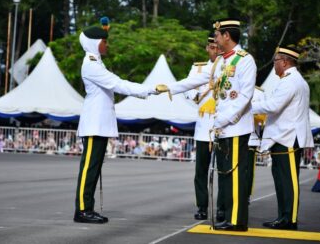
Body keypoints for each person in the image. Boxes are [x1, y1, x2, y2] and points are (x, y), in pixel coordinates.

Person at [74, 19, 155, 224]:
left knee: (94, 167)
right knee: (89, 168)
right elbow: (118, 83)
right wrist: (148, 89)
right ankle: (82, 210)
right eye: (104, 41)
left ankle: (87, 207)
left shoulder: (96, 62)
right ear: (94, 43)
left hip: (99, 123)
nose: (107, 45)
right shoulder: (91, 65)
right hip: (94, 124)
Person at [156, 34, 222, 220]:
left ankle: (223, 208)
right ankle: (202, 206)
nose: (214, 50)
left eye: (217, 47)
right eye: (211, 47)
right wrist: (194, 96)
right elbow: (188, 88)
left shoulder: (228, 66)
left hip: (223, 125)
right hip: (203, 125)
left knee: (223, 171)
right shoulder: (198, 68)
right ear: (207, 49)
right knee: (200, 171)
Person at [252, 46, 314, 230]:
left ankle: (289, 218)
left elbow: (273, 106)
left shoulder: (291, 81)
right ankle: (284, 216)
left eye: (276, 61)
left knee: (288, 180)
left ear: (285, 62)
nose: (274, 65)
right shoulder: (292, 80)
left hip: (287, 137)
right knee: (281, 180)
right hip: (283, 136)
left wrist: (247, 106)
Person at [211, 19, 256, 232]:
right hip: (223, 128)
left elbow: (245, 96)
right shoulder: (222, 61)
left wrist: (223, 119)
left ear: (227, 35)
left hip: (236, 126)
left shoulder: (245, 60)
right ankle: (229, 216)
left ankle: (237, 220)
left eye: (218, 35)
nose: (216, 39)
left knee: (237, 174)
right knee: (226, 175)